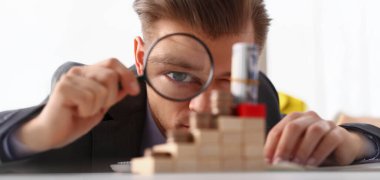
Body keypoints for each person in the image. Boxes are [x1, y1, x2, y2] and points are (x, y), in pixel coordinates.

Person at [0, 0, 379, 173]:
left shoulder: (257, 99)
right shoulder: (92, 110)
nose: (204, 108)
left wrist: (351, 142)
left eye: (230, 80)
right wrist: (36, 133)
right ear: (141, 55)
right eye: (179, 76)